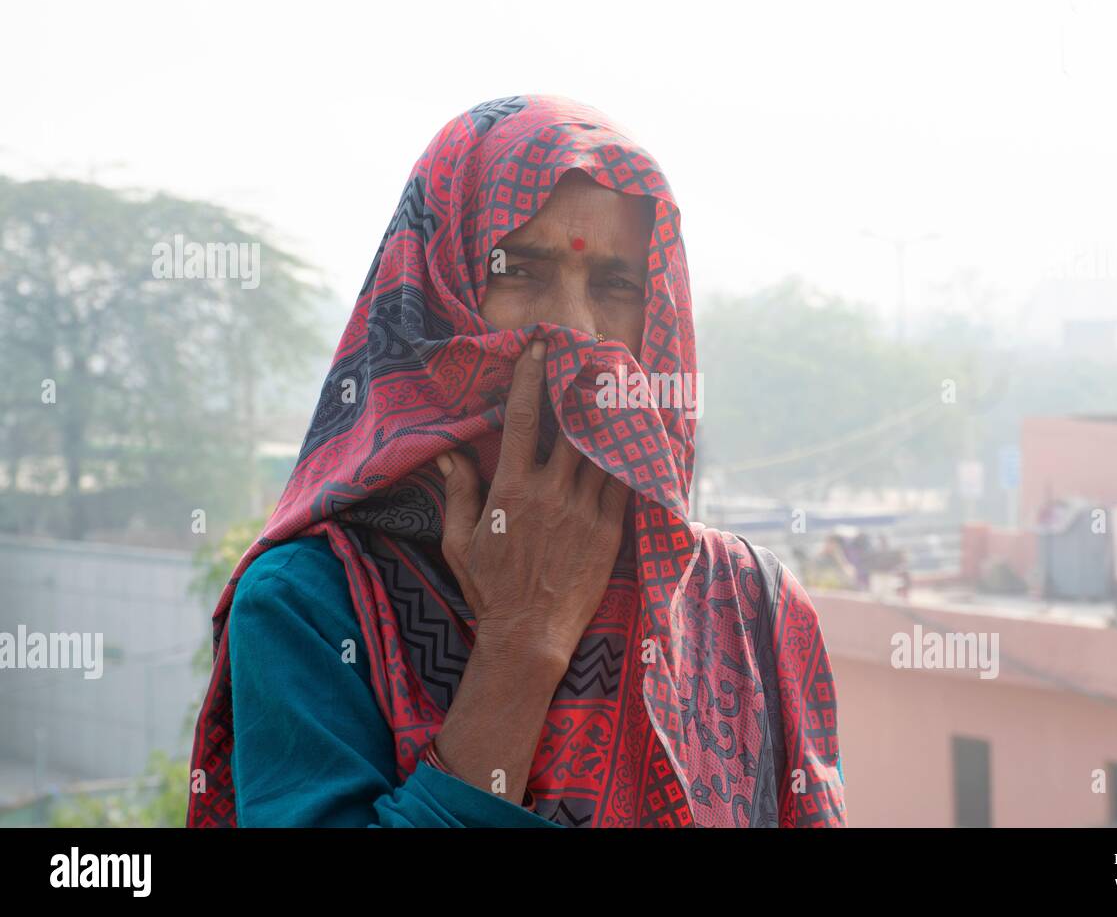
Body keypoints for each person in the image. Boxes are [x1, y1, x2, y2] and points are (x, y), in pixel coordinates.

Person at [187, 95, 846, 828]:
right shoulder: (312, 601)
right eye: (519, 273)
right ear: (436, 297)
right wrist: (521, 645)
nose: (572, 328)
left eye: (615, 286)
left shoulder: (753, 611)